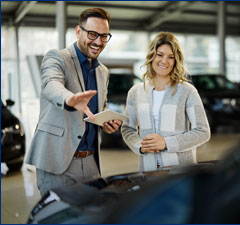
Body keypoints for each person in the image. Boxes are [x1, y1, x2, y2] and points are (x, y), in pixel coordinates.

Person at [25, 8, 121, 196]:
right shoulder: (57, 57)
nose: (98, 42)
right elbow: (50, 84)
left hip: (92, 162)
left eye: (104, 36)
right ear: (78, 31)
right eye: (92, 34)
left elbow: (98, 109)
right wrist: (69, 99)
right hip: (57, 162)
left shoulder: (103, 72)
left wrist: (106, 122)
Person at [121, 32, 211, 172]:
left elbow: (203, 132)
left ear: (176, 61)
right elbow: (128, 129)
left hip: (180, 172)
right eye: (160, 54)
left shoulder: (187, 91)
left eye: (171, 57)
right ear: (151, 56)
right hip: (147, 170)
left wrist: (166, 143)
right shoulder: (136, 92)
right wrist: (139, 146)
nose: (164, 61)